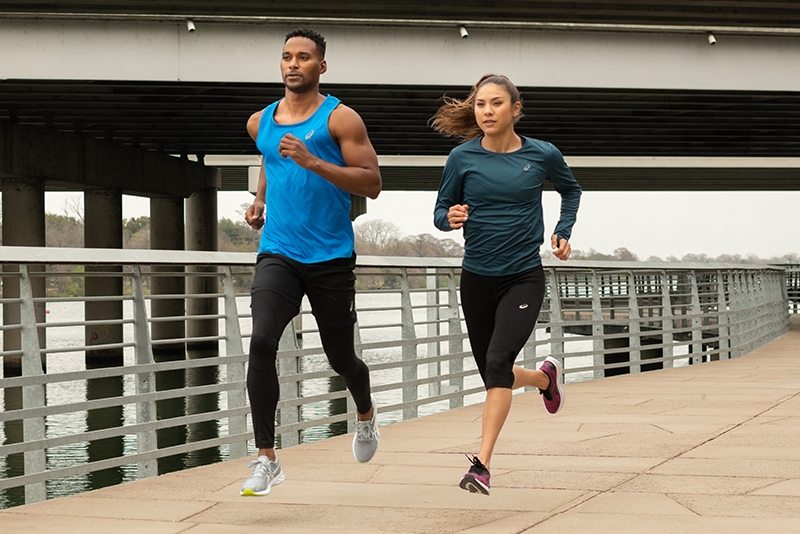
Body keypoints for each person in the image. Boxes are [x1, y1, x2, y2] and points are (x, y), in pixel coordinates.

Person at [240, 28, 383, 497]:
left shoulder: (341, 119)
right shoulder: (260, 122)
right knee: (261, 341)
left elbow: (371, 183)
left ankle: (364, 413)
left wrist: (313, 160)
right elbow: (269, 161)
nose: (293, 64)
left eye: (304, 57)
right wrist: (261, 201)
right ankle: (266, 458)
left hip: (330, 258)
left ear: (321, 66)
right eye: (286, 57)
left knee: (341, 357)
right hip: (278, 251)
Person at [431, 74, 582, 495]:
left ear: (515, 109)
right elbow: (440, 211)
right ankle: (543, 379)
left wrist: (563, 230)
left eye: (496, 104)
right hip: (477, 278)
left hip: (522, 277)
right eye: (480, 104)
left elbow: (571, 190)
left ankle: (481, 465)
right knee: (492, 373)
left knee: (497, 364)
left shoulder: (542, 154)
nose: (487, 111)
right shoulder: (461, 158)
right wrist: (451, 218)